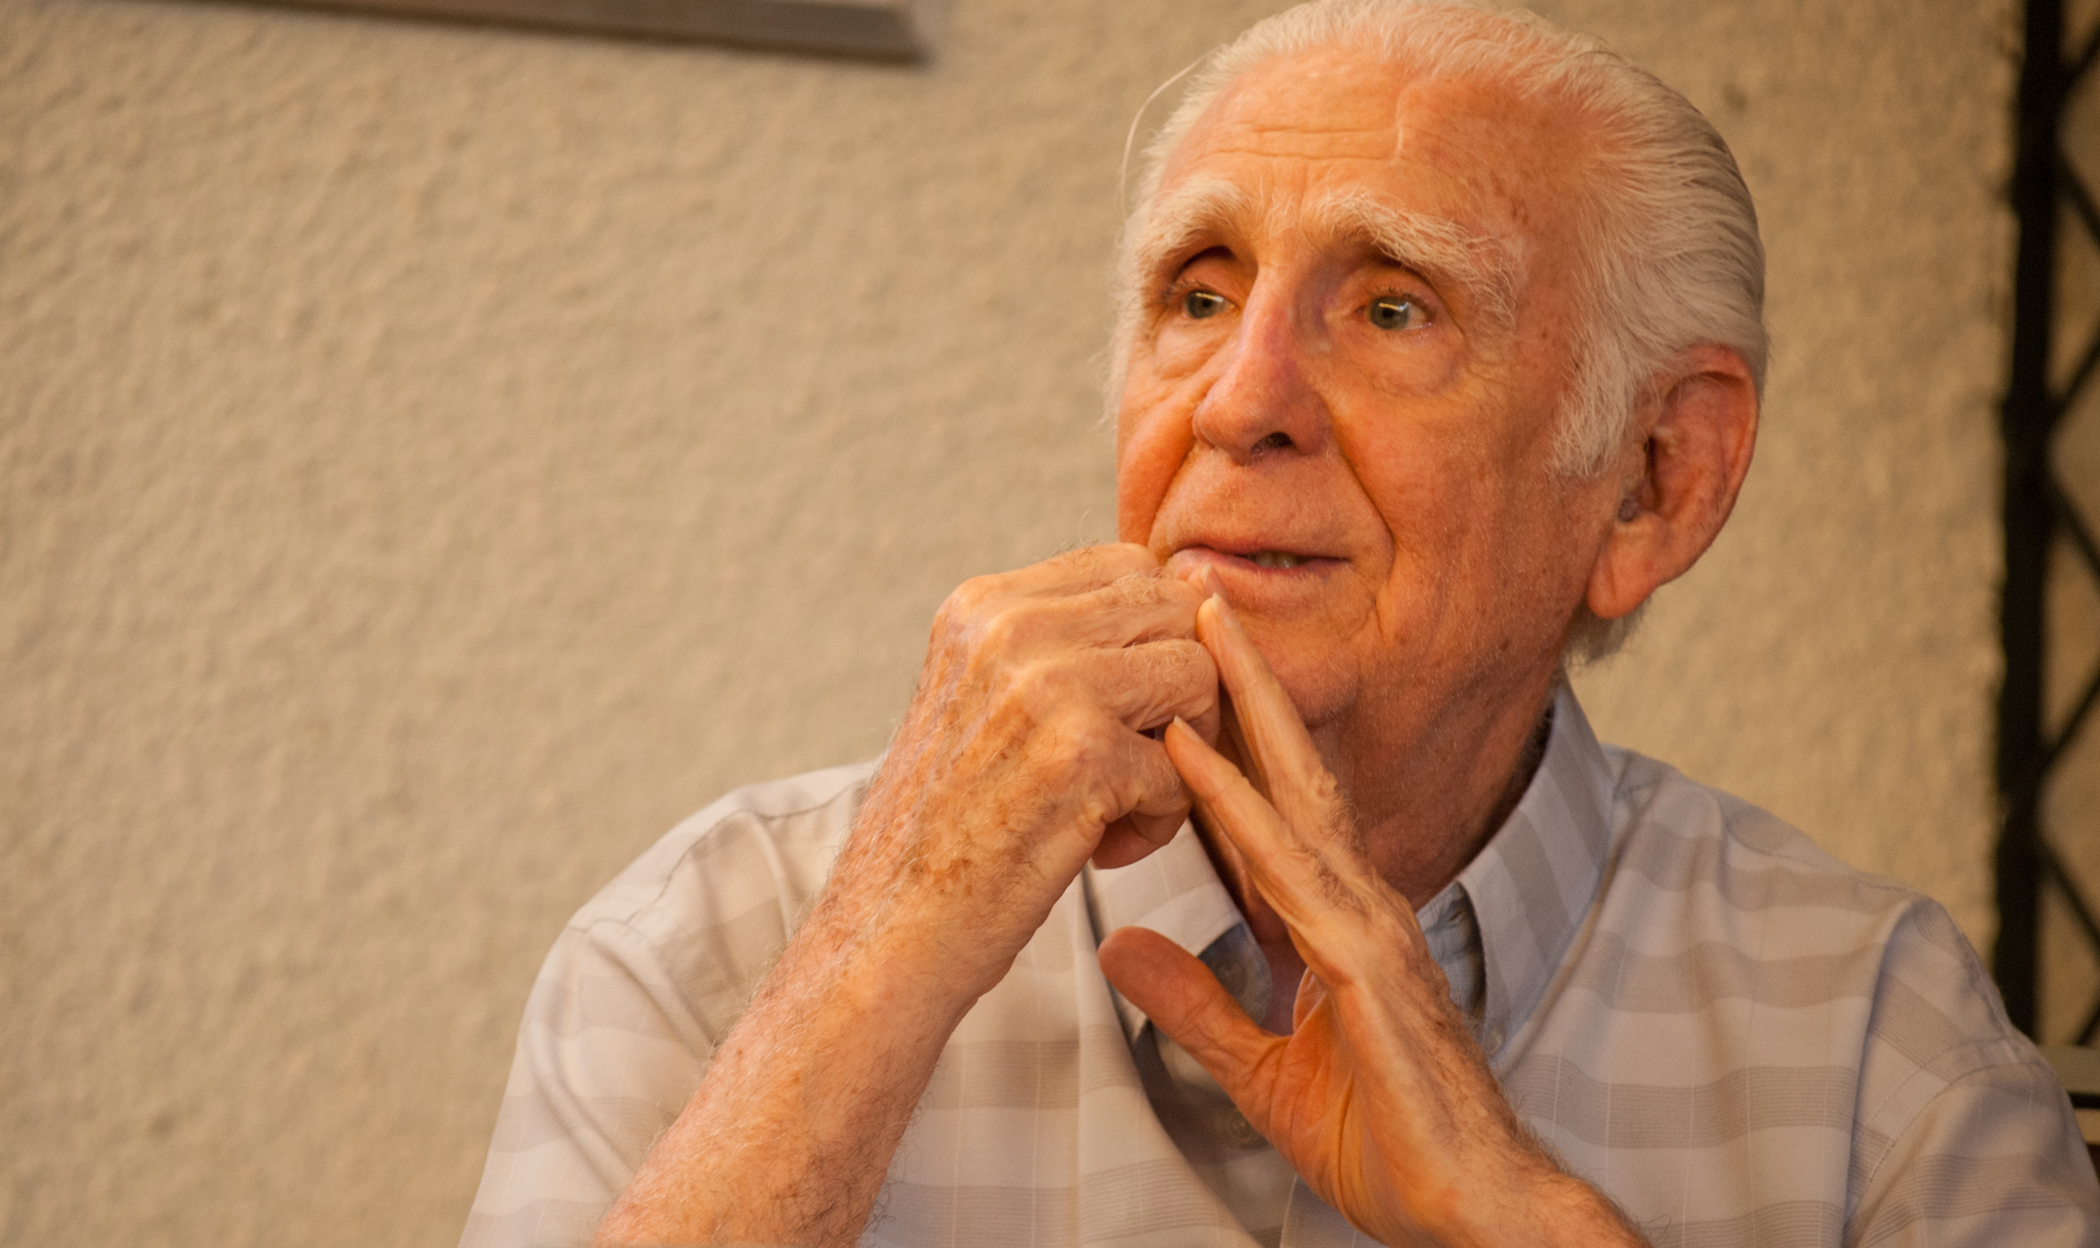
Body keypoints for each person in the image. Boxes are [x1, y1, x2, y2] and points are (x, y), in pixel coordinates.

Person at [461, 2, 2100, 1245]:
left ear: (1654, 484)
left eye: (1394, 307)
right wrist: (879, 965)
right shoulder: (714, 947)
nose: (1241, 403)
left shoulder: (1886, 1059)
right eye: (1198, 294)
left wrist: (1525, 1219)